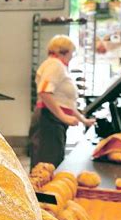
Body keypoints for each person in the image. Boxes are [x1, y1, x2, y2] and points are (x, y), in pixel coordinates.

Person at [29, 35, 95, 169]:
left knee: (53, 162)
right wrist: (63, 116)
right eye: (72, 52)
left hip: (53, 120)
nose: (72, 56)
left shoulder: (57, 66)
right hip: (48, 120)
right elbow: (44, 92)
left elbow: (65, 102)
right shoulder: (55, 65)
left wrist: (83, 120)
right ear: (65, 51)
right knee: (46, 166)